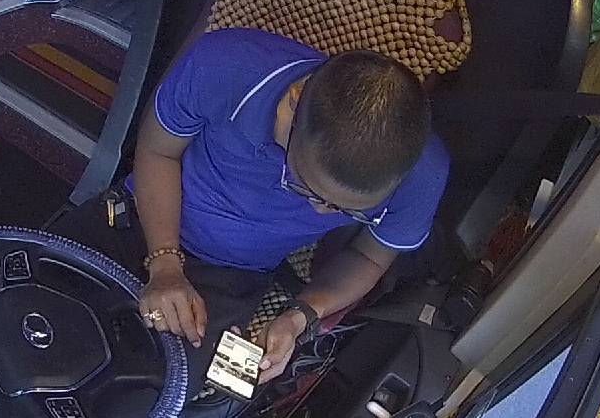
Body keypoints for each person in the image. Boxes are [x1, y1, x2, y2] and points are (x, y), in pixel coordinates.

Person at [54, 27, 448, 397]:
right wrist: (165, 262)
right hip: (142, 213)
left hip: (231, 278)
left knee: (147, 393)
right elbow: (158, 151)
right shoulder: (225, 65)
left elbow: (370, 257)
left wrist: (300, 315)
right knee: (44, 291)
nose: (319, 210)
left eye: (346, 211)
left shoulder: (423, 175)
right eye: (304, 187)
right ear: (292, 104)